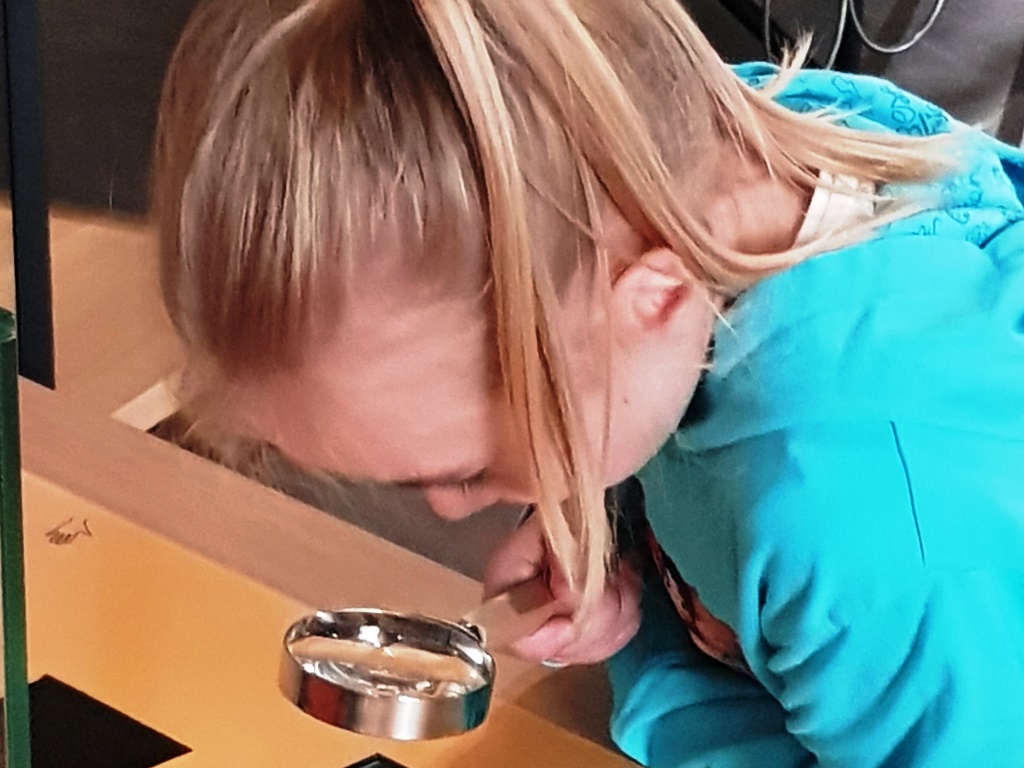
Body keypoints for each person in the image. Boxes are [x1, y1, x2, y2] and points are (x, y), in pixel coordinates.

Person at [152, 0, 1024, 765]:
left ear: (656, 299)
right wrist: (617, 525)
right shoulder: (693, 175)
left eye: (467, 470)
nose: (454, 512)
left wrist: (668, 677)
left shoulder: (876, 529)